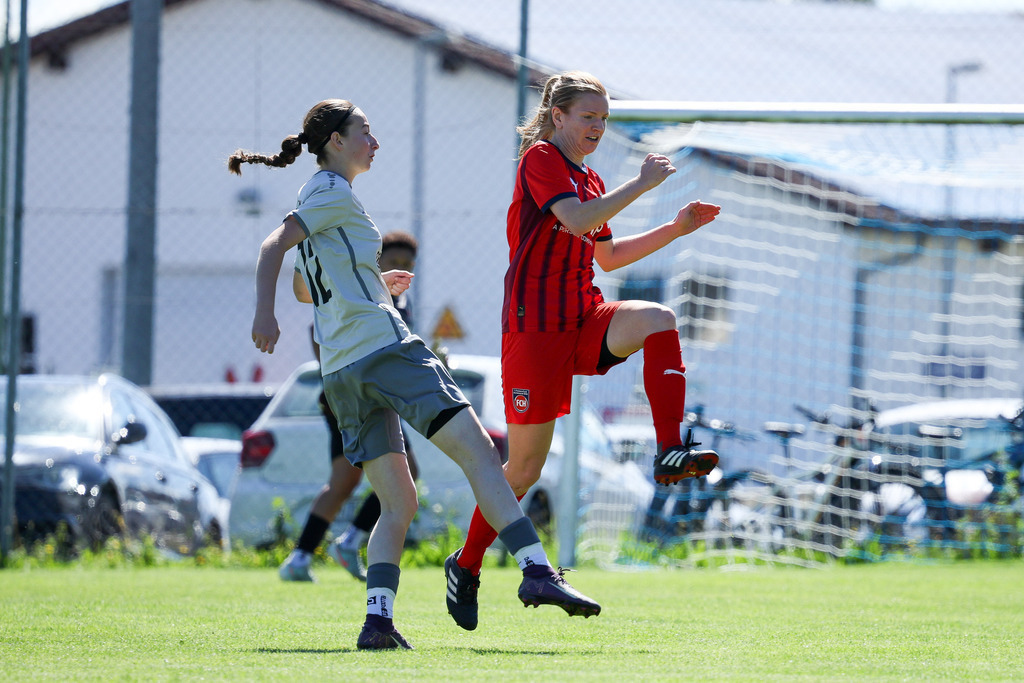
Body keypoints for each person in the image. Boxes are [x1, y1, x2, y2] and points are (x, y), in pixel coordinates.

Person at [229, 98, 600, 651]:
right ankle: (537, 570)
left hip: (342, 371)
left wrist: (377, 286)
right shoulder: (330, 192)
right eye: (365, 132)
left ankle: (377, 621)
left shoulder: (317, 200)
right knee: (481, 454)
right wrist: (263, 313)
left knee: (399, 502)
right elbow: (271, 248)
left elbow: (309, 288)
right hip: (386, 352)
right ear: (335, 141)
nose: (374, 142)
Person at [444, 71, 722, 631]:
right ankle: (466, 564)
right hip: (534, 331)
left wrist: (676, 227)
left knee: (659, 319)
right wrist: (642, 185)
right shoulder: (541, 159)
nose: (597, 126)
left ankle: (669, 449)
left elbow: (610, 258)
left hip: (583, 316)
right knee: (522, 470)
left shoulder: (591, 177)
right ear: (558, 116)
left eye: (604, 118)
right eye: (588, 116)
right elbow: (574, 221)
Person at [278, 231, 421, 583]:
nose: (401, 269)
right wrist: (338, 377)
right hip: (350, 396)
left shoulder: (402, 302)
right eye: (394, 262)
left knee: (349, 480)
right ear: (377, 262)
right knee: (377, 475)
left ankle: (307, 554)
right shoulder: (362, 289)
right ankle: (334, 546)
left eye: (408, 265)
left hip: (378, 398)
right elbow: (320, 330)